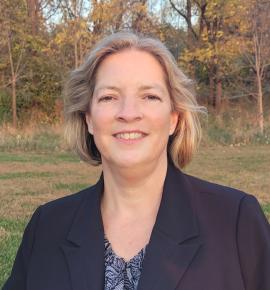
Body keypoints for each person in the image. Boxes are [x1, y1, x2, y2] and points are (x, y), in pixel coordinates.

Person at [2, 32, 270, 290]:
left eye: (149, 96)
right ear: (89, 119)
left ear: (174, 118)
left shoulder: (236, 221)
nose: (128, 113)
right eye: (109, 97)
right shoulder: (47, 227)